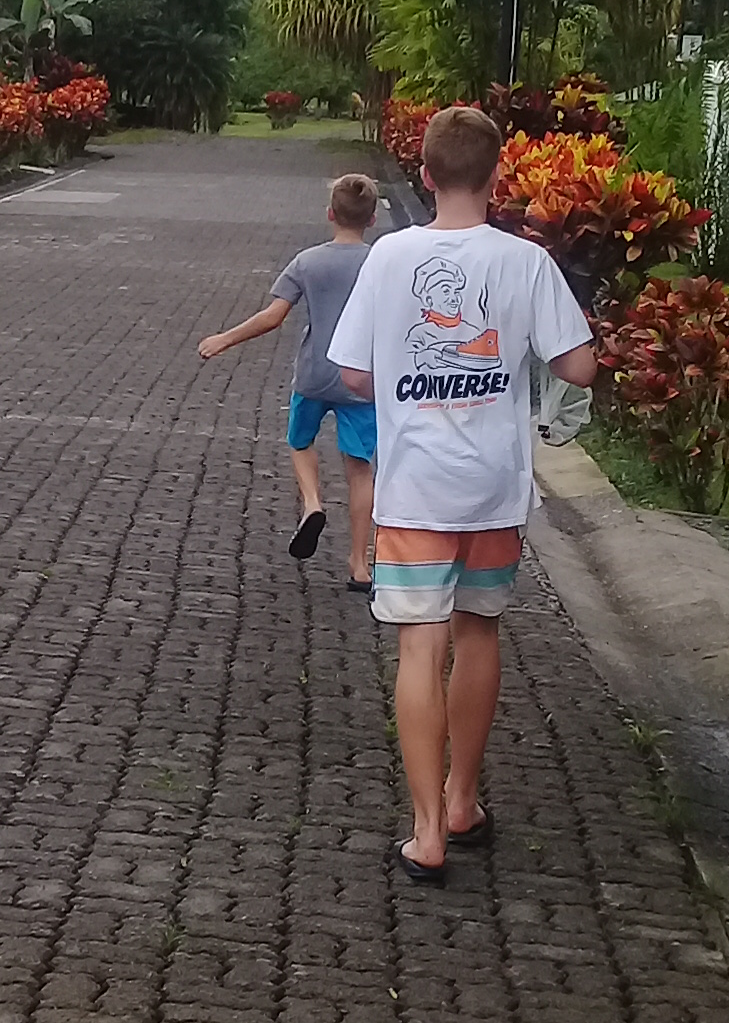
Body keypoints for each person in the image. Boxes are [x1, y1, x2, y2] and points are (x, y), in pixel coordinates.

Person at [327, 102, 595, 885]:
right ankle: (462, 802)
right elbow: (579, 367)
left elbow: (352, 374)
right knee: (479, 633)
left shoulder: (389, 256)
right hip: (493, 490)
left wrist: (406, 376)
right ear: (497, 176)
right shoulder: (526, 262)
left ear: (425, 174)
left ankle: (425, 835)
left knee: (420, 646)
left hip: (415, 488)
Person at [198, 169, 383, 585]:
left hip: (314, 375)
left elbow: (273, 317)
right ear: (373, 219)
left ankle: (312, 502)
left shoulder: (308, 261)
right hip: (362, 379)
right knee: (360, 469)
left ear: (330, 213)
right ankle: (359, 564)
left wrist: (224, 339)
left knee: (300, 442)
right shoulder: (382, 263)